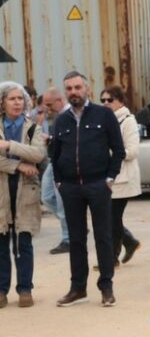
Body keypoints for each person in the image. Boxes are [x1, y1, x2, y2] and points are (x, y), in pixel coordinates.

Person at [50, 71, 125, 307]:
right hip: (71, 188)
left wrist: (109, 178)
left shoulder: (104, 115)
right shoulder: (61, 121)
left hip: (98, 185)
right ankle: (78, 288)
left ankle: (106, 287)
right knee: (76, 239)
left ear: (87, 88)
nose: (74, 92)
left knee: (103, 237)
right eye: (69, 89)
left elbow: (118, 149)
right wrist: (60, 182)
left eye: (77, 87)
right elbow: (55, 155)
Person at [0, 82, 47, 309]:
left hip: (25, 191)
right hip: (2, 192)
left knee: (23, 242)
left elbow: (38, 153)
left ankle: (25, 289)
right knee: (1, 243)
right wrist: (18, 166)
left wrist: (8, 145)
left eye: (20, 98)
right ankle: (1, 290)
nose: (17, 102)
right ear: (2, 102)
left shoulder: (32, 128)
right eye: (12, 98)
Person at [100, 86, 142, 266]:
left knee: (112, 218)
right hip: (110, 178)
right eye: (102, 100)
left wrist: (110, 153)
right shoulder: (105, 121)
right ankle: (128, 243)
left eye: (109, 100)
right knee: (110, 218)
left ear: (120, 101)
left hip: (123, 178)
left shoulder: (127, 120)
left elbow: (132, 151)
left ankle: (113, 258)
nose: (105, 103)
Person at [39, 88, 69, 254]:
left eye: (50, 104)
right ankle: (74, 225)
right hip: (53, 160)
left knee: (62, 202)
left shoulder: (68, 116)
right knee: (47, 196)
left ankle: (67, 238)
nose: (47, 108)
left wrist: (49, 139)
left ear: (59, 100)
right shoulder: (57, 117)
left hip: (62, 162)